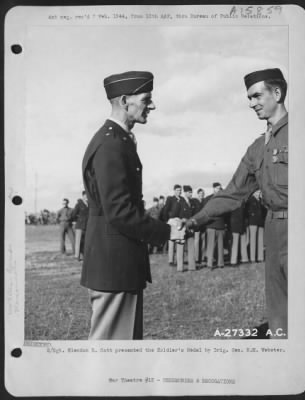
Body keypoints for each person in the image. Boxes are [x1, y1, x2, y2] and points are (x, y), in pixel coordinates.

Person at [185, 68, 288, 338]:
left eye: (257, 96)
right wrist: (194, 220)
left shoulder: (302, 133)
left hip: (300, 229)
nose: (251, 104)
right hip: (273, 232)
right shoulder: (257, 148)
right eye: (249, 98)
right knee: (279, 310)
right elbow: (232, 193)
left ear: (277, 93)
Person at [81, 70, 184, 340]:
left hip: (117, 263)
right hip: (115, 265)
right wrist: (166, 232)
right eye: (146, 99)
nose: (152, 105)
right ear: (125, 101)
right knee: (112, 358)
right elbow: (120, 212)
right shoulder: (111, 144)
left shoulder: (116, 139)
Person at [175, 185, 198, 272]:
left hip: (190, 228)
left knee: (191, 247)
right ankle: (180, 268)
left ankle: (192, 267)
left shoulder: (192, 203)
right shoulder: (180, 202)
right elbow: (174, 215)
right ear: (185, 193)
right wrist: (181, 220)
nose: (191, 194)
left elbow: (195, 214)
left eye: (191, 192)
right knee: (180, 248)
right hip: (181, 229)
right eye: (189, 192)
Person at [204, 183, 226, 269]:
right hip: (211, 225)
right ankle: (210, 264)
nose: (218, 190)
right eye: (217, 188)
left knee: (220, 246)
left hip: (221, 225)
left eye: (220, 188)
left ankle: (220, 263)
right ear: (213, 189)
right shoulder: (207, 199)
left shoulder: (223, 200)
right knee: (211, 246)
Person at [162, 184, 183, 266]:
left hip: (179, 221)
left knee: (179, 240)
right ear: (174, 191)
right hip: (172, 220)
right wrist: (167, 220)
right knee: (171, 241)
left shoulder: (182, 200)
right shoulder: (170, 199)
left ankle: (178, 260)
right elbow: (165, 210)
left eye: (180, 190)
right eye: (177, 190)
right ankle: (171, 260)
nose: (179, 192)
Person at [246, 190, 267, 262]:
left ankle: (260, 257)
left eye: (259, 192)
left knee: (260, 241)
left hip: (260, 222)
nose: (259, 193)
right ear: (253, 192)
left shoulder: (262, 201)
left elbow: (264, 211)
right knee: (253, 240)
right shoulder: (250, 200)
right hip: (252, 222)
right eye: (257, 192)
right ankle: (252, 258)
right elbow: (246, 211)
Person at [72, 191, 89, 261]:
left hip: (87, 226)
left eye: (87, 195)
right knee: (78, 241)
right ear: (83, 196)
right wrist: (77, 220)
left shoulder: (89, 204)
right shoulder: (78, 204)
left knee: (84, 241)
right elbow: (73, 214)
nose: (87, 197)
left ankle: (83, 256)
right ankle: (77, 256)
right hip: (79, 226)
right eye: (85, 195)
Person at [193, 188, 207, 264]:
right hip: (196, 224)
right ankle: (196, 258)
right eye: (200, 193)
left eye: (202, 193)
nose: (201, 195)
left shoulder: (205, 201)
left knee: (203, 241)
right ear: (198, 194)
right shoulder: (195, 201)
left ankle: (202, 257)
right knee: (197, 241)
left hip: (204, 224)